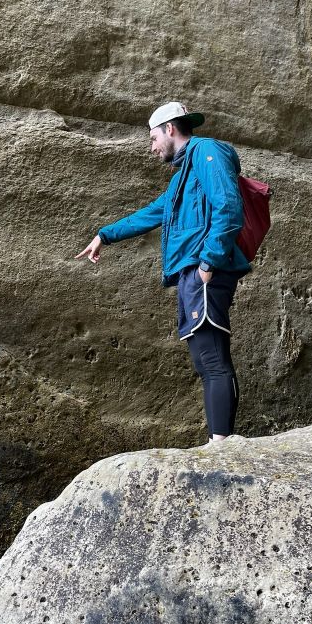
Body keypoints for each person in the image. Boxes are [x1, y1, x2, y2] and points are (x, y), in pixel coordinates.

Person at [75, 102, 251, 447]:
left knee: (213, 358)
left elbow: (228, 207)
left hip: (204, 271)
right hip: (191, 272)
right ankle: (219, 440)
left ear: (170, 129)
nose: (152, 146)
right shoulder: (181, 178)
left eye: (153, 137)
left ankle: (222, 444)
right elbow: (152, 213)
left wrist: (208, 264)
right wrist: (104, 234)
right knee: (204, 358)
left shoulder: (207, 152)